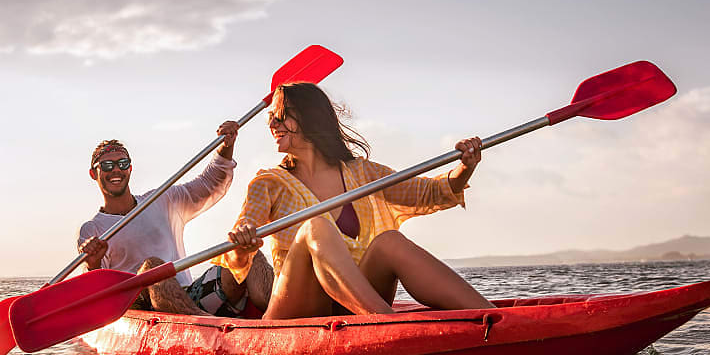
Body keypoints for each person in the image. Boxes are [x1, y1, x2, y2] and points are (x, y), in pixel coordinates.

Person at [219, 82, 495, 319]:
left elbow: (429, 193)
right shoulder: (268, 183)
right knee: (316, 227)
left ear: (309, 119)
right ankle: (388, 324)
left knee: (389, 240)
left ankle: (494, 318)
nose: (272, 124)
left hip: (353, 305)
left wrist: (465, 167)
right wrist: (243, 240)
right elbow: (240, 242)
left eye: (280, 116)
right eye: (271, 118)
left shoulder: (362, 172)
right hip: (297, 309)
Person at [78, 124, 272, 316]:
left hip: (188, 298)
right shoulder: (92, 229)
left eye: (122, 164)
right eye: (107, 165)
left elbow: (210, 184)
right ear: (93, 173)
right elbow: (98, 293)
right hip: (139, 309)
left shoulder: (161, 199)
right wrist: (93, 264)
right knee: (152, 267)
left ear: (130, 169)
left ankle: (281, 315)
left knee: (247, 252)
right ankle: (203, 326)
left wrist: (225, 146)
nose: (116, 170)